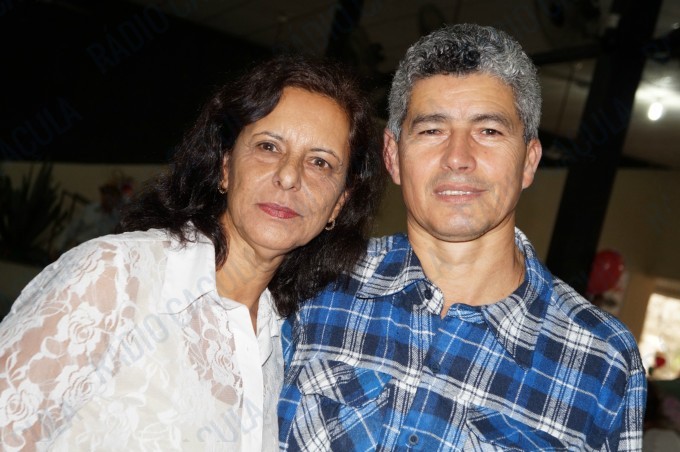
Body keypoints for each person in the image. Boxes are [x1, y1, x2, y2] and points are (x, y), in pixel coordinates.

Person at [279, 24, 647, 451]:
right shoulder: (313, 283)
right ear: (392, 156)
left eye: (489, 131)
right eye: (431, 130)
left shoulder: (603, 361)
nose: (458, 158)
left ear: (529, 161)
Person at [0, 55, 385, 451]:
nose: (289, 176)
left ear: (339, 203)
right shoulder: (115, 277)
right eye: (268, 146)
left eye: (320, 162)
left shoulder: (281, 342)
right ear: (226, 167)